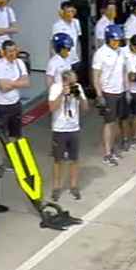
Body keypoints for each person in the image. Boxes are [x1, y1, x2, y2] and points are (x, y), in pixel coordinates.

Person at [48, 70, 88, 202]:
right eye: (72, 82)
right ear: (65, 81)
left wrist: (80, 97)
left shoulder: (78, 87)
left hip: (74, 128)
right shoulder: (55, 88)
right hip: (59, 129)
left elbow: (86, 108)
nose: (74, 84)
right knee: (58, 160)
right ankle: (56, 187)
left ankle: (74, 185)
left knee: (74, 159)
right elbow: (52, 108)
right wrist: (62, 94)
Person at [92, 24, 128, 166]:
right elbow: (96, 76)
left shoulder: (121, 52)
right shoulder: (100, 53)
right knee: (109, 123)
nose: (116, 42)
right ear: (108, 39)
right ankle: (107, 153)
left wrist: (127, 90)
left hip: (120, 91)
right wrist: (99, 94)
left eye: (118, 40)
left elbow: (124, 72)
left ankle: (112, 149)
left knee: (116, 122)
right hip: (108, 93)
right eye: (114, 40)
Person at [0, 39, 30, 145]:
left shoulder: (20, 63)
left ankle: (16, 157)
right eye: (9, 51)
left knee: (17, 134)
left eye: (14, 50)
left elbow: (26, 83)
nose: (12, 54)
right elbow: (3, 88)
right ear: (3, 52)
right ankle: (1, 160)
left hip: (16, 104)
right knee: (2, 137)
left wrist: (10, 83)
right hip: (1, 106)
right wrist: (18, 82)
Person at [50, 1, 84, 84]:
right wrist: (53, 60)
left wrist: (79, 56)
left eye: (72, 11)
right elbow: (52, 44)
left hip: (75, 59)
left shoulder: (76, 22)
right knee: (63, 83)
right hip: (64, 59)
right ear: (62, 12)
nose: (70, 14)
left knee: (74, 83)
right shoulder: (57, 25)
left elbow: (78, 41)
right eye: (68, 11)